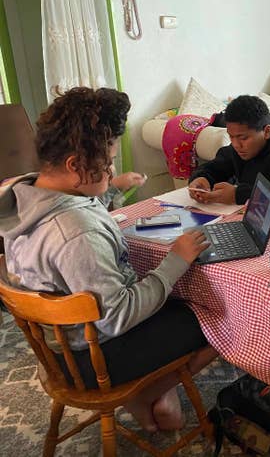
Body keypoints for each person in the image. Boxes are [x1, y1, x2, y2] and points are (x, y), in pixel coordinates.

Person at [0, 87, 216, 433]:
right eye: (107, 161)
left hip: (59, 349)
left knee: (171, 292)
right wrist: (175, 260)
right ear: (75, 165)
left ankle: (149, 389)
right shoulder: (76, 231)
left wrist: (109, 185)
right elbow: (118, 318)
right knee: (214, 316)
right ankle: (147, 393)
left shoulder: (26, 194)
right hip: (90, 359)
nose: (112, 165)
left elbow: (77, 210)